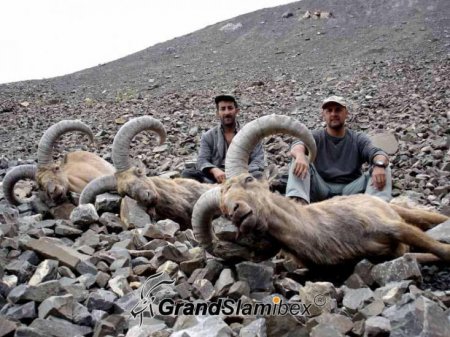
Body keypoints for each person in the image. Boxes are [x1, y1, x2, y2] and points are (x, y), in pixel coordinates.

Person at [286, 95, 392, 204]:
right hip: (321, 188)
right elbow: (297, 145)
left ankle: (378, 209)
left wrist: (379, 165)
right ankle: (297, 206)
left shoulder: (357, 138)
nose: (333, 114)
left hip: (351, 190)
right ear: (324, 115)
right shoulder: (316, 137)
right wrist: (300, 156)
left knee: (384, 166)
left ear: (346, 113)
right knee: (298, 159)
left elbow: (378, 153)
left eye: (338, 110)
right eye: (329, 111)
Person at [182, 94, 265, 183]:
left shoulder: (250, 134)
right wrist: (214, 170)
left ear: (236, 111)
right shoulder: (208, 136)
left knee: (260, 175)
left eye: (230, 108)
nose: (227, 112)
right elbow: (202, 160)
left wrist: (243, 174)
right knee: (187, 173)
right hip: (218, 178)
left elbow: (258, 159)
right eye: (223, 109)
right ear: (217, 113)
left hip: (243, 177)